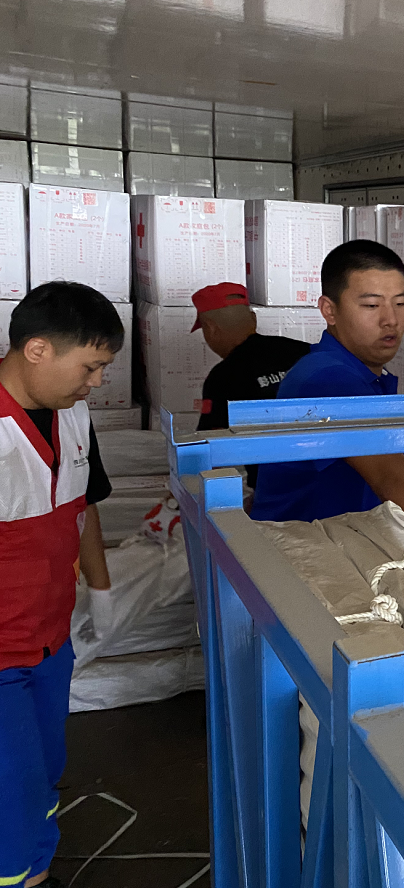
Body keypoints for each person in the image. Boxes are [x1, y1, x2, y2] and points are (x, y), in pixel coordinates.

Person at [0, 282, 121, 888]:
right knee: (11, 792)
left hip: (50, 640)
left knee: (45, 771)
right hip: (2, 652)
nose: (96, 382)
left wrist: (100, 591)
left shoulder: (73, 413)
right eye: (90, 366)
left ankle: (36, 868)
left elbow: (82, 505)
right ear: (38, 350)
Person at [251, 240, 404, 555]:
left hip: (348, 544)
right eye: (371, 305)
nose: (390, 319)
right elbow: (390, 475)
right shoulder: (325, 378)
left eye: (400, 303)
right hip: (300, 560)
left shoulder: (363, 375)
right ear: (329, 310)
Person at [192, 282, 310, 487]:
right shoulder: (306, 351)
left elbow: (210, 446)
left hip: (274, 492)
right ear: (254, 319)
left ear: (211, 328)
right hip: (336, 482)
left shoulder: (223, 376)